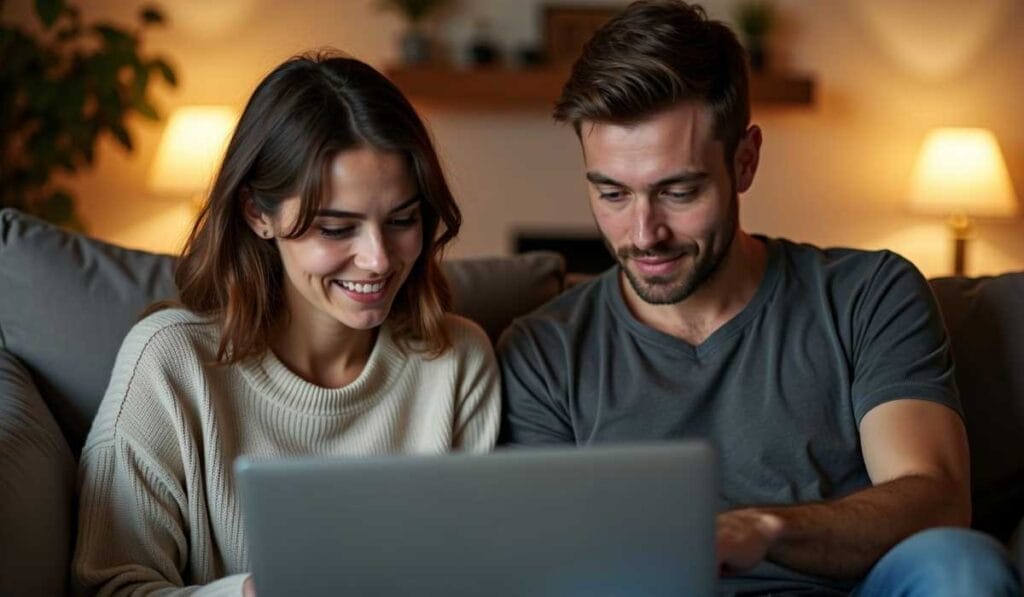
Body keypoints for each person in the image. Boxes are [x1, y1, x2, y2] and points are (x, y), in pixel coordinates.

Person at [496, 2, 1020, 595]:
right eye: (613, 194)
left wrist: (764, 531)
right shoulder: (543, 352)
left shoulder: (868, 295)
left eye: (678, 191)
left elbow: (935, 497)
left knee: (960, 565)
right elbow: (546, 563)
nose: (643, 233)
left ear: (744, 161)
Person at [73, 52, 500, 595]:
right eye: (336, 228)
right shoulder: (170, 364)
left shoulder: (458, 360)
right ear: (258, 214)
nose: (378, 258)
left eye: (402, 220)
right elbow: (106, 587)